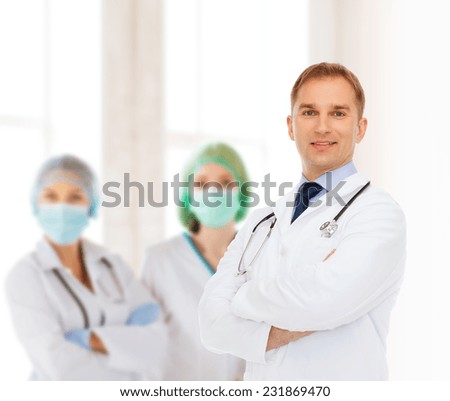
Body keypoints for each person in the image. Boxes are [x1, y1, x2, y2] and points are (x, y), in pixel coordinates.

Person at [198, 63, 407, 380]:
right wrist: (290, 316)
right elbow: (211, 325)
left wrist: (241, 298)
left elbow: (325, 301)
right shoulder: (261, 222)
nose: (323, 127)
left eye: (338, 113)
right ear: (291, 126)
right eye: (309, 112)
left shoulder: (378, 213)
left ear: (360, 128)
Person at [5, 155, 167, 380]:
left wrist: (87, 339)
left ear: (90, 205)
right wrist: (125, 350)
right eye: (51, 196)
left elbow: (156, 344)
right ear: (36, 204)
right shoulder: (25, 276)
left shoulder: (114, 266)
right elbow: (59, 367)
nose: (62, 207)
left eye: (75, 197)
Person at [141, 142, 248, 380]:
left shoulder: (263, 255)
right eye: (201, 184)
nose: (213, 192)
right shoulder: (160, 260)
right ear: (187, 194)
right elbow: (144, 347)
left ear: (242, 191)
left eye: (224, 183)